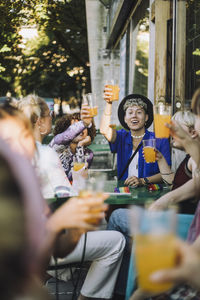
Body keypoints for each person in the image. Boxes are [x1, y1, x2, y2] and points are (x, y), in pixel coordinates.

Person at [14, 95, 126, 300]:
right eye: (49, 116)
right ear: (39, 121)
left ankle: (41, 280)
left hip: (20, 243)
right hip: (44, 244)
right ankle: (86, 297)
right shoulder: (46, 154)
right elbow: (67, 199)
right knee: (116, 241)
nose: (52, 120)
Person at [130, 88, 200, 300]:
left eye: (198, 115)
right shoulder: (191, 157)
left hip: (183, 226)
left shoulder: (192, 158)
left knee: (125, 220)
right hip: (187, 243)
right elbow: (184, 183)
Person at [100, 93, 171, 186]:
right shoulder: (121, 137)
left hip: (151, 194)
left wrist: (143, 180)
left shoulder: (160, 140)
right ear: (125, 119)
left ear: (146, 118)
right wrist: (109, 103)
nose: (134, 116)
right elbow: (104, 130)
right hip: (125, 193)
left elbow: (167, 173)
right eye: (130, 112)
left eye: (139, 112)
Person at [50, 111, 96, 181]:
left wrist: (80, 146)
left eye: (84, 127)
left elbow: (78, 177)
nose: (81, 130)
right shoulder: (59, 147)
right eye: (76, 127)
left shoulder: (88, 154)